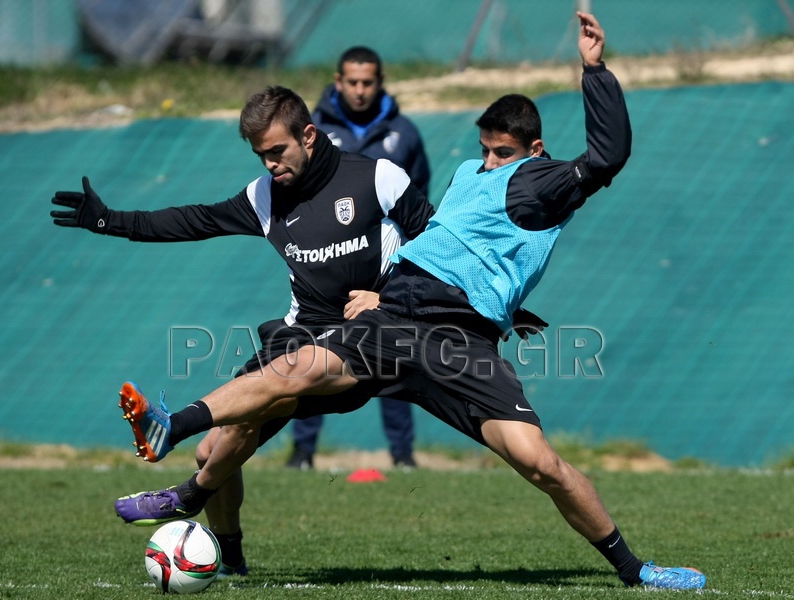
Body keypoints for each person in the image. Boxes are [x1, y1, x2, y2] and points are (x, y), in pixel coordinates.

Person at [107, 12, 706, 590]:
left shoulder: (536, 179)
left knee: (539, 463)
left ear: (533, 150)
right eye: (486, 148)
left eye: (501, 151)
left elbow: (607, 156)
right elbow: (445, 244)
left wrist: (595, 72)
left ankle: (636, 570)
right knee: (290, 369)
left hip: (459, 340)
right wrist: (387, 288)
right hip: (396, 317)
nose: (487, 160)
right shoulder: (472, 173)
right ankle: (174, 433)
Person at [51, 86, 545, 576]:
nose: (269, 164)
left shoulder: (376, 177)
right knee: (214, 450)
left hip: (372, 338)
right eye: (260, 154)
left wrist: (483, 306)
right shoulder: (264, 196)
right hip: (299, 334)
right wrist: (108, 220)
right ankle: (230, 558)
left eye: (276, 151)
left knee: (238, 427)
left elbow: (443, 246)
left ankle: (179, 468)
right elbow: (194, 220)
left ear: (308, 135)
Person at [287, 45, 432, 470]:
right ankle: (302, 452)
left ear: (379, 82)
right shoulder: (313, 131)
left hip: (386, 270)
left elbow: (416, 199)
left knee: (391, 358)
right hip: (326, 264)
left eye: (368, 82)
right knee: (312, 357)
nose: (360, 90)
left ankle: (403, 456)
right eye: (352, 81)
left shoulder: (404, 133)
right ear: (338, 81)